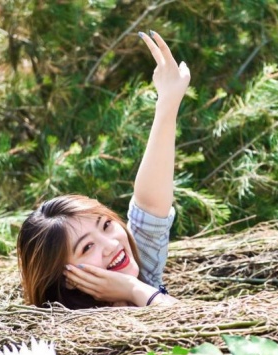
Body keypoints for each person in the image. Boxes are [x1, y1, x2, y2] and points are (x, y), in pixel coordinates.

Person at [17, 31, 189, 309]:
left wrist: (168, 101)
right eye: (87, 248)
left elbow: (149, 204)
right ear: (67, 279)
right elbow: (196, 327)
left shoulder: (130, 266)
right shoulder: (81, 331)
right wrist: (134, 289)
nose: (110, 244)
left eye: (107, 225)